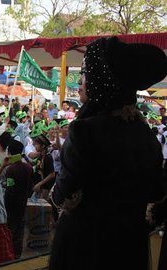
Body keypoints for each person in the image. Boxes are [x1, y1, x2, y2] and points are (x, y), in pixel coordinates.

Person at [49, 37, 167, 270]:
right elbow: (156, 192)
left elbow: (62, 194)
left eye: (85, 72)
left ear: (102, 80)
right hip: (128, 246)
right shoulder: (144, 133)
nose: (81, 82)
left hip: (86, 247)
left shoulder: (84, 130)